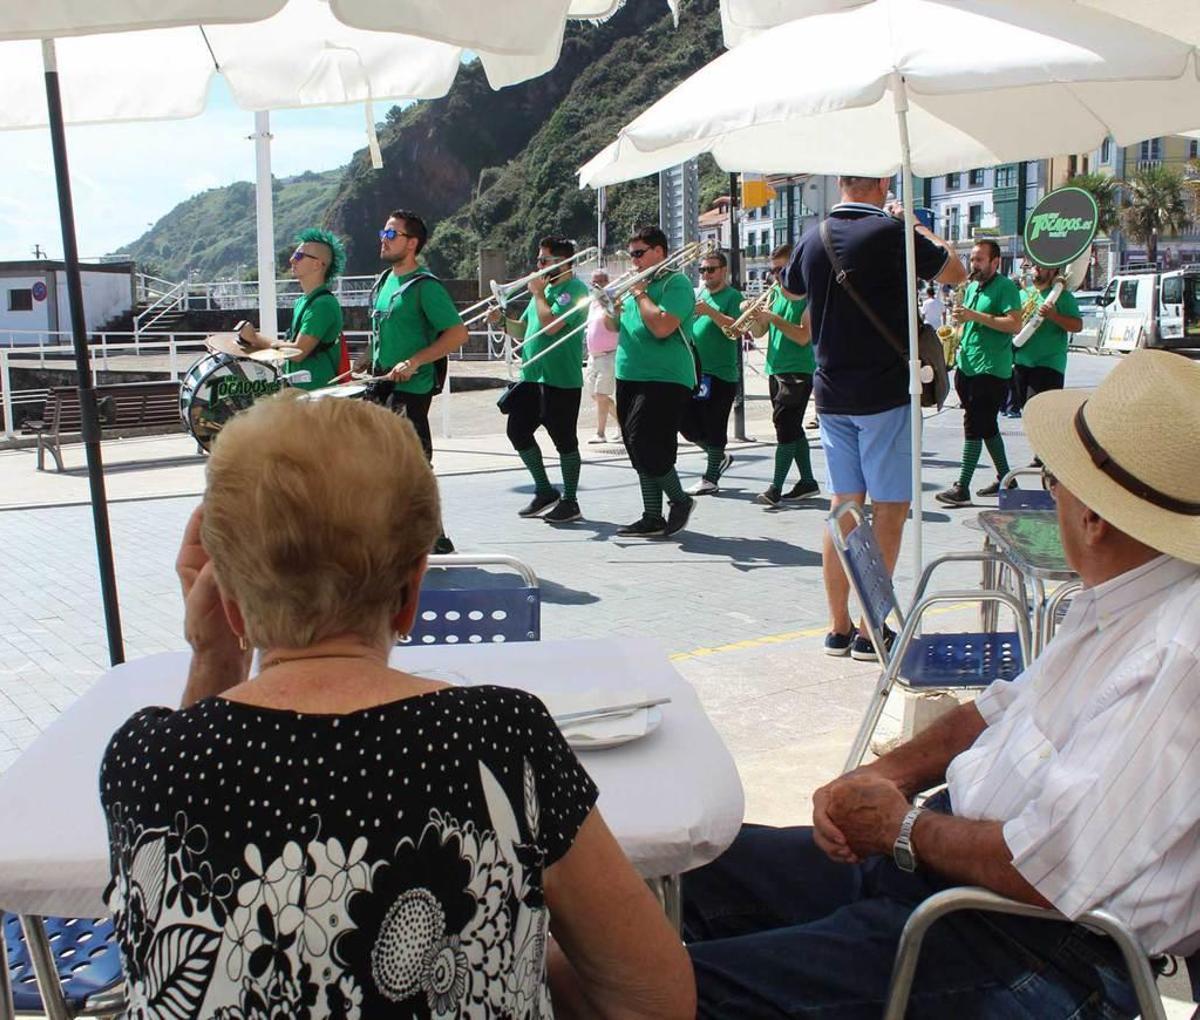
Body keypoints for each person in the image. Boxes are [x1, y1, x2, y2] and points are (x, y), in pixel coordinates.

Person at [99, 393, 696, 1020]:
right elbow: (652, 996)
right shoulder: (498, 737)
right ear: (412, 594)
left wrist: (214, 659)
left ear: (229, 604)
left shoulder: (145, 758)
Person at [683, 348, 1200, 1019]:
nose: (1053, 498)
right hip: (953, 876)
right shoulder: (1118, 597)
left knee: (657, 990)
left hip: (1034, 947)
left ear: (1095, 519)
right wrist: (885, 778)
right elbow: (996, 709)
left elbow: (1046, 869)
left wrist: (900, 828)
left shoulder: (1175, 651)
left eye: (1054, 484)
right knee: (690, 868)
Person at [783, 175, 965, 659]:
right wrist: (916, 226)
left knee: (843, 506)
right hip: (884, 391)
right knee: (890, 507)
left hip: (831, 392)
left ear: (842, 184)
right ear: (882, 183)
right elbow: (956, 271)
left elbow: (793, 291)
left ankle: (837, 627)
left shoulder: (812, 237)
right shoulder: (893, 233)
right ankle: (870, 629)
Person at [367, 209, 469, 554]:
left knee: (415, 465)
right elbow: (383, 331)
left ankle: (436, 536)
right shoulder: (384, 281)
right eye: (384, 232)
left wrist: (415, 361)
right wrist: (365, 361)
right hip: (382, 385)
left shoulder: (425, 287)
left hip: (411, 390)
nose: (384, 238)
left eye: (391, 234)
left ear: (412, 243)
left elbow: (457, 334)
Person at [492, 236, 590, 523]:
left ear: (563, 263)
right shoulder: (545, 290)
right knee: (517, 431)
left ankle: (571, 501)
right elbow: (523, 331)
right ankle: (545, 490)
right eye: (539, 260)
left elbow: (551, 327)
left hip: (561, 379)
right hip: (532, 377)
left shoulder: (575, 290)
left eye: (544, 260)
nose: (538, 266)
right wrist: (501, 321)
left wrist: (537, 294)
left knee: (564, 441)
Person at [610, 225, 698, 538]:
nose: (633, 261)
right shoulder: (637, 286)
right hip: (629, 373)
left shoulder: (676, 283)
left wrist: (640, 293)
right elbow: (613, 325)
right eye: (630, 254)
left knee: (644, 442)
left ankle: (680, 500)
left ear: (659, 252)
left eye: (639, 254)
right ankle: (651, 515)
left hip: (665, 376)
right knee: (635, 448)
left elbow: (662, 327)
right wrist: (611, 305)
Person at [936, 239, 1024, 507]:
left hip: (991, 367)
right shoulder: (972, 286)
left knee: (974, 425)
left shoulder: (1005, 287)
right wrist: (956, 331)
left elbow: (1014, 324)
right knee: (986, 426)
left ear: (995, 262)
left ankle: (962, 486)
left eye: (979, 260)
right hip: (968, 364)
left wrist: (975, 316)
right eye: (972, 259)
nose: (973, 265)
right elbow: (968, 322)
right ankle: (1007, 480)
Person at [748, 244, 820, 507]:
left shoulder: (811, 295)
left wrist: (773, 318)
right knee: (789, 426)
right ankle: (808, 482)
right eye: (773, 270)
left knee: (785, 428)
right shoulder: (775, 292)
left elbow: (803, 336)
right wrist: (754, 316)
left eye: (782, 269)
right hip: (775, 368)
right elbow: (758, 332)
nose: (776, 276)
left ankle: (775, 487)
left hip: (799, 370)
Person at [236, 227, 345, 391]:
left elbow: (298, 351)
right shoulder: (303, 301)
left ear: (317, 264)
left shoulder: (322, 305)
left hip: (318, 394)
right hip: (301, 390)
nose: (292, 260)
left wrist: (254, 338)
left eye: (299, 256)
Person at [681, 250, 742, 496]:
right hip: (697, 371)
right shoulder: (701, 293)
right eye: (702, 270)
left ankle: (711, 477)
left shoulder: (733, 296)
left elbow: (737, 330)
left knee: (715, 425)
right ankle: (718, 457)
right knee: (686, 424)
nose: (706, 274)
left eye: (711, 269)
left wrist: (710, 312)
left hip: (721, 374)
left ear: (723, 270)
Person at [1014, 265, 1083, 415]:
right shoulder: (1021, 295)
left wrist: (1054, 316)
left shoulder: (1063, 297)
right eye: (1034, 266)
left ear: (1053, 271)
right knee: (1026, 412)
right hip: (1021, 362)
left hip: (1049, 364)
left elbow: (1077, 326)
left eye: (1042, 267)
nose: (1036, 269)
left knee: (1040, 413)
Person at [585, 268, 620, 444]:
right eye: (593, 282)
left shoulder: (612, 300)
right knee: (596, 396)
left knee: (601, 395)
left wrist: (608, 299)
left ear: (608, 282)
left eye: (600, 281)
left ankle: (600, 433)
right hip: (593, 356)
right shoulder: (592, 303)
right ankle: (623, 424)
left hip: (609, 354)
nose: (596, 285)